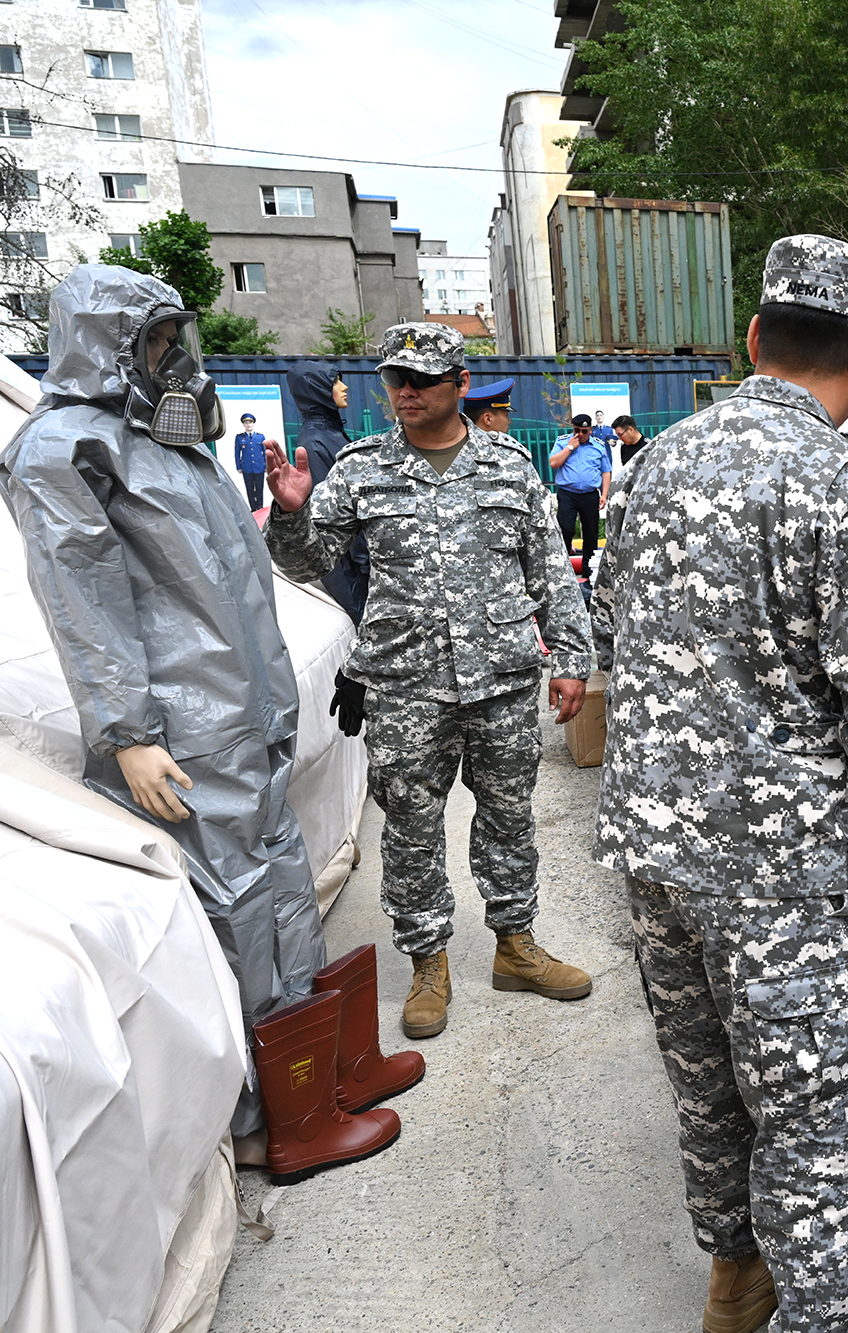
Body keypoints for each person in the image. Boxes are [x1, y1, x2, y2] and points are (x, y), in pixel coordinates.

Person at [590, 234, 848, 1333]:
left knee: (707, 1089)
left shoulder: (658, 458)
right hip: (778, 872)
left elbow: (612, 619)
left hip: (653, 852)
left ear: (753, 336)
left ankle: (732, 1277)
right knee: (808, 1123)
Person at [0, 265, 370, 1158]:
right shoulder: (61, 450)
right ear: (105, 340)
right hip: (183, 727)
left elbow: (234, 584)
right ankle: (264, 1121)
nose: (171, 358)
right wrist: (127, 734)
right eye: (155, 341)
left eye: (173, 340)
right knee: (236, 900)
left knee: (280, 878)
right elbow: (84, 603)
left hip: (243, 710)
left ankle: (321, 1078)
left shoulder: (167, 442)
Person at [263, 322, 596, 1041]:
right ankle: (428, 963)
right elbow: (304, 563)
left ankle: (516, 945)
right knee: (412, 832)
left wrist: (572, 659)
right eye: (395, 379)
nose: (405, 392)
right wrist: (290, 517)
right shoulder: (360, 468)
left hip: (502, 679)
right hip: (404, 684)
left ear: (460, 385)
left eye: (422, 379)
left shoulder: (508, 464)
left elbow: (549, 570)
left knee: (509, 816)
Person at [287, 363, 367, 623]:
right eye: (335, 382)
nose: (344, 387)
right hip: (353, 572)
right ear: (317, 391)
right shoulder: (315, 441)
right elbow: (335, 517)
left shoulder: (330, 433)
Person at [551, 412, 614, 582]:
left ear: (591, 430)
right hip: (568, 494)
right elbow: (553, 463)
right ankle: (562, 569)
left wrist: (605, 494)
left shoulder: (599, 445)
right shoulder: (563, 441)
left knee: (591, 533)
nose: (580, 434)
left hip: (589, 495)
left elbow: (606, 470)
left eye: (584, 431)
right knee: (566, 529)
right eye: (576, 430)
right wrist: (570, 448)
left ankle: (589, 571)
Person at [233, 411, 269, 510]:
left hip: (259, 467)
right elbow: (237, 453)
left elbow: (265, 452)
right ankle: (253, 508)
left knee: (259, 488)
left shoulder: (260, 437)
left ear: (253, 424)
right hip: (247, 467)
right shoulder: (240, 437)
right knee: (249, 489)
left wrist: (266, 466)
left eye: (250, 422)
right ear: (244, 425)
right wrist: (239, 467)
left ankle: (260, 507)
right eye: (246, 423)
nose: (248, 425)